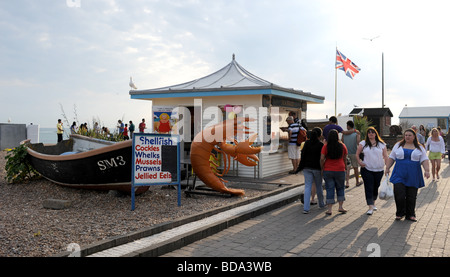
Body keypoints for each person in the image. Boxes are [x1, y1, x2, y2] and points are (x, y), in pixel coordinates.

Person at [385, 129, 430, 222]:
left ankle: (410, 214)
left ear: (414, 136)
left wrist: (427, 170)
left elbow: (424, 159)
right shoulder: (398, 145)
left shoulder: (420, 147)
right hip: (399, 173)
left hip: (413, 174)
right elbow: (392, 157)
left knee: (411, 196)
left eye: (409, 135)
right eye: (406, 135)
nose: (407, 137)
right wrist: (387, 168)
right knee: (399, 194)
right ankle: (400, 213)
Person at [356, 127, 388, 215]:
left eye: (372, 132)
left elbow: (385, 156)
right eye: (369, 132)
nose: (371, 134)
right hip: (367, 169)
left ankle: (373, 202)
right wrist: (359, 162)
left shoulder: (381, 144)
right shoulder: (363, 143)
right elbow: (357, 154)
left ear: (375, 134)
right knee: (369, 187)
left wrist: (387, 168)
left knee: (375, 186)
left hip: (379, 169)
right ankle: (370, 206)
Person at [296, 127, 325, 213]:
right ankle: (321, 204)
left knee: (308, 186)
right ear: (319, 136)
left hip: (307, 168)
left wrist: (300, 167)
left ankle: (306, 208)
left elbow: (303, 156)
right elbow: (322, 158)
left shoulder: (306, 143)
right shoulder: (320, 145)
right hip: (317, 168)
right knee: (319, 186)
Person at [321, 129, 348, 215]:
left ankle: (329, 209)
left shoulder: (325, 146)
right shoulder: (342, 146)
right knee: (340, 188)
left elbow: (322, 158)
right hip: (340, 169)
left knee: (329, 188)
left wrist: (322, 167)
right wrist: (345, 167)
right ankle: (340, 207)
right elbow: (345, 158)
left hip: (328, 169)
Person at [342, 120, 362, 188]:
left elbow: (342, 142)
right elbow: (358, 142)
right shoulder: (356, 133)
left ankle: (347, 183)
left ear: (348, 126)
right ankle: (357, 182)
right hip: (354, 153)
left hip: (346, 153)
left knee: (347, 168)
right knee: (355, 168)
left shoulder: (344, 134)